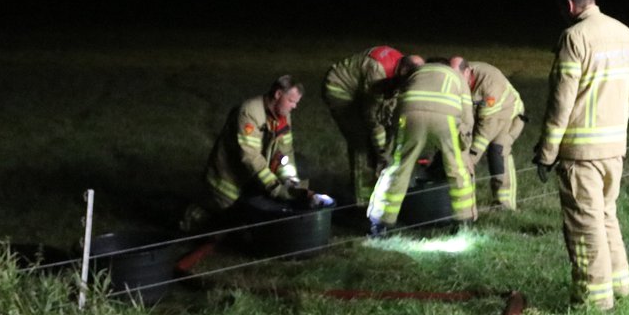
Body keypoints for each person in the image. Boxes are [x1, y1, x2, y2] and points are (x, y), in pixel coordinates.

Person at [533, 0, 629, 310]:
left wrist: (547, 152)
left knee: (585, 225)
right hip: (615, 147)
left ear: (568, 5)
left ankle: (594, 301)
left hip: (581, 152)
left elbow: (561, 102)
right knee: (607, 216)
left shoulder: (574, 38)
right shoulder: (626, 34)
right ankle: (620, 286)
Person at [187, 74, 332, 230]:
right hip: (228, 182)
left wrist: (291, 183)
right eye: (291, 101)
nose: (294, 106)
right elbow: (250, 157)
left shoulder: (283, 116)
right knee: (218, 221)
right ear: (278, 94)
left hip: (253, 178)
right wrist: (275, 187)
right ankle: (188, 221)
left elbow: (284, 153)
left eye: (296, 102)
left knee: (242, 223)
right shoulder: (249, 112)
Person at [366, 55, 477, 236]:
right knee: (457, 169)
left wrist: (394, 140)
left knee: (398, 168)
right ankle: (463, 221)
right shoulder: (456, 77)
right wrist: (463, 143)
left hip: (410, 116)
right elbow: (467, 116)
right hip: (446, 120)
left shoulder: (417, 72)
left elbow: (394, 106)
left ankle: (381, 223)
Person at [321, 45, 403, 205]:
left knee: (375, 139)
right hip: (340, 88)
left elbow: (387, 110)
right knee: (361, 141)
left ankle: (374, 185)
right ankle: (363, 200)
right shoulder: (377, 72)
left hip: (359, 89)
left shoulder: (399, 67)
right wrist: (382, 152)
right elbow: (372, 117)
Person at [455, 56, 526, 211]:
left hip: (507, 113)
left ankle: (505, 204)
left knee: (498, 151)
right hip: (481, 115)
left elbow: (486, 129)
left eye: (459, 79)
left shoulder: (490, 85)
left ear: (467, 72)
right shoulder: (458, 76)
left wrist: (472, 157)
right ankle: (463, 201)